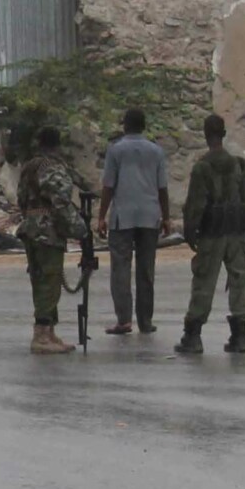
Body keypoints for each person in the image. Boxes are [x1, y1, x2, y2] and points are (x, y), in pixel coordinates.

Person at [177, 114, 245, 355]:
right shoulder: (239, 165)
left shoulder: (203, 167)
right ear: (223, 133)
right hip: (236, 233)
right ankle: (240, 337)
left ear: (205, 133)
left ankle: (193, 336)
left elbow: (195, 205)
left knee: (203, 283)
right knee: (239, 282)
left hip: (212, 234)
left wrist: (190, 233)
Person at [98, 107, 169, 335]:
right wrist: (166, 217)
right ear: (144, 126)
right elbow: (162, 188)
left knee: (121, 268)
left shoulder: (115, 150)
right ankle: (145, 321)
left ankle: (124, 320)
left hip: (123, 217)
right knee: (146, 270)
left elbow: (108, 186)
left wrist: (101, 216)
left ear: (125, 125)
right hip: (150, 216)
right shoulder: (156, 151)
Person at [16, 126, 88, 354]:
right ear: (57, 146)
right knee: (50, 280)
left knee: (40, 279)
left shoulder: (29, 167)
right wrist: (79, 228)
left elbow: (20, 198)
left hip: (30, 227)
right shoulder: (53, 167)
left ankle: (48, 332)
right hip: (47, 231)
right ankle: (41, 333)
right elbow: (60, 201)